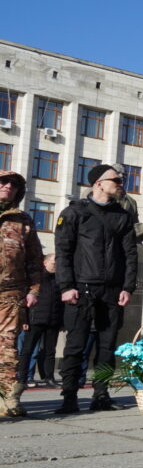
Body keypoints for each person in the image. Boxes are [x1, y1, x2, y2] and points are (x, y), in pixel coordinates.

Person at [54, 164, 137, 413]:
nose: (121, 183)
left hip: (112, 291)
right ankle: (69, 396)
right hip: (81, 288)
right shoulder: (74, 212)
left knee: (107, 346)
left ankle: (101, 394)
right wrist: (66, 286)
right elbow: (63, 252)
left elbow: (130, 254)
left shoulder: (122, 216)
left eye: (121, 180)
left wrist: (127, 287)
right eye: (116, 180)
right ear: (98, 183)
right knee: (75, 345)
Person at [0, 171, 42, 417]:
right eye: (3, 182)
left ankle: (8, 399)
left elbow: (34, 259)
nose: (8, 186)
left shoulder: (23, 220)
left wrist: (34, 290)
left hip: (10, 294)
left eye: (14, 184)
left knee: (7, 349)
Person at [17, 253, 61, 389]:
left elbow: (61, 302)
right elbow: (26, 300)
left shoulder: (60, 279)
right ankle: (22, 378)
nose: (56, 264)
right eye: (53, 262)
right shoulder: (36, 279)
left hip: (53, 320)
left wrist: (62, 321)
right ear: (45, 263)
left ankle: (49, 378)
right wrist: (24, 319)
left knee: (50, 351)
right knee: (27, 349)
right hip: (35, 319)